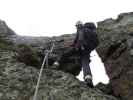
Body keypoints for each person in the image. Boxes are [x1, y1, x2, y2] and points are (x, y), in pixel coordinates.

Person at [72, 21, 99, 87]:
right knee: (85, 62)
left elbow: (80, 39)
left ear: (79, 25)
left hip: (82, 47)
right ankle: (88, 79)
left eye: (77, 26)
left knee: (67, 53)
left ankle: (56, 63)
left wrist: (77, 46)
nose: (76, 27)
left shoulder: (81, 29)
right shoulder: (89, 30)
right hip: (88, 48)